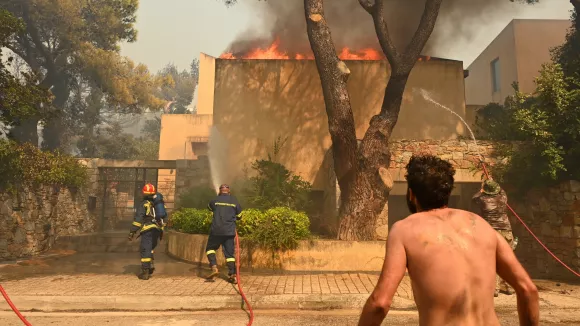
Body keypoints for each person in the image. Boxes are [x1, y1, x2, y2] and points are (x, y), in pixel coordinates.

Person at [358, 155, 539, 326]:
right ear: (448, 191)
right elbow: (528, 290)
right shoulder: (483, 227)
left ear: (412, 194)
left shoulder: (404, 230)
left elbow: (380, 304)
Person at [472, 178, 517, 297]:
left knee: (492, 260)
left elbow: (474, 198)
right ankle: (508, 286)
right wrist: (492, 181)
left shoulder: (482, 199)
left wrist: (482, 188)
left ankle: (495, 288)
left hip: (491, 231)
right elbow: (501, 190)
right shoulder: (503, 198)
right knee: (507, 259)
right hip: (506, 231)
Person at [205, 184, 243, 284]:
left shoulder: (215, 200)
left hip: (216, 231)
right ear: (229, 191)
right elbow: (239, 215)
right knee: (229, 254)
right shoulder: (234, 200)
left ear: (220, 191)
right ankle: (232, 275)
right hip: (229, 232)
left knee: (210, 249)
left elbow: (209, 207)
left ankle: (214, 267)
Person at [128, 183, 164, 280]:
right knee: (150, 248)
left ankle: (145, 272)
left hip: (148, 229)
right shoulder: (157, 204)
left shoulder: (144, 204)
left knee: (145, 249)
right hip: (157, 229)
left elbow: (138, 219)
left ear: (144, 193)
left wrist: (132, 232)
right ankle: (151, 266)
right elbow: (162, 218)